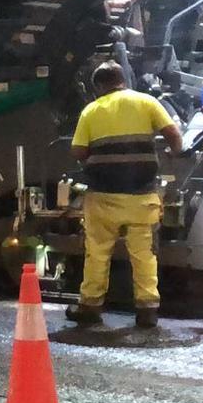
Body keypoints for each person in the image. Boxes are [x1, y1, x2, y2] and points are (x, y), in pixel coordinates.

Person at [68, 61, 182, 329]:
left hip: (103, 196)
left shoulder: (91, 111)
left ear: (98, 86)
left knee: (97, 251)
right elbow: (174, 136)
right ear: (123, 79)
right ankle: (147, 312)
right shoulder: (147, 102)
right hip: (141, 196)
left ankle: (90, 307)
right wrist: (173, 153)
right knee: (144, 253)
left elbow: (78, 152)